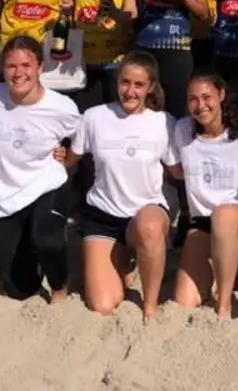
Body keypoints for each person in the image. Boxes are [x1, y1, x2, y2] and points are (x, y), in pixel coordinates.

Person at [66, 52, 177, 319]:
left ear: (150, 87)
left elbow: (179, 172)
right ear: (117, 81)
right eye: (125, 82)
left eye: (138, 85)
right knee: (103, 304)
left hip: (146, 213)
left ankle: (149, 305)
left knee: (148, 227)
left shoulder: (164, 122)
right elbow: (70, 160)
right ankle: (122, 259)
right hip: (103, 214)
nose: (130, 91)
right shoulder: (93, 117)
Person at [0, 36, 82, 304]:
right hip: (5, 197)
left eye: (26, 65)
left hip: (47, 185)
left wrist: (67, 154)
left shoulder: (62, 107)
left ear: (40, 67)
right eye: (11, 66)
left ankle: (59, 287)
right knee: (18, 290)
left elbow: (82, 140)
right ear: (2, 68)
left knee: (47, 239)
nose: (19, 73)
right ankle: (31, 252)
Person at [169, 73, 238, 319]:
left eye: (206, 97)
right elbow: (175, 171)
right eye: (193, 99)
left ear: (221, 95)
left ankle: (224, 303)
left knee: (223, 216)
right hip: (201, 222)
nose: (200, 106)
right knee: (185, 300)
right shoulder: (182, 130)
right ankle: (217, 263)